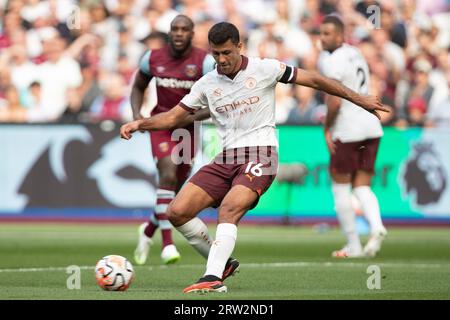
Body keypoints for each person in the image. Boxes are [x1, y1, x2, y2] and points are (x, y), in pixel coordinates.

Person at [121, 22, 388, 293]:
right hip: (225, 159)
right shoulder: (207, 82)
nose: (222, 60)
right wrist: (139, 124)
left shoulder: (266, 69)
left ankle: (211, 276)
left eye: (227, 52)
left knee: (229, 209)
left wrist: (359, 99)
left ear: (239, 46)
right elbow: (174, 117)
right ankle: (221, 265)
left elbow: (316, 80)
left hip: (261, 154)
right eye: (216, 54)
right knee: (176, 211)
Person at [131, 15, 216, 266]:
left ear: (192, 34)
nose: (178, 33)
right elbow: (138, 86)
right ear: (169, 32)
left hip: (187, 129)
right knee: (167, 173)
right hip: (161, 125)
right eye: (174, 29)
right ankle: (167, 244)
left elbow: (214, 102)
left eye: (184, 29)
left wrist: (189, 117)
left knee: (175, 191)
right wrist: (138, 115)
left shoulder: (205, 63)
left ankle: (148, 230)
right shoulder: (152, 58)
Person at [318, 15, 388, 258]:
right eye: (321, 33)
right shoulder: (355, 52)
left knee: (340, 187)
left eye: (327, 33)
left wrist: (327, 127)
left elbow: (334, 100)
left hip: (348, 128)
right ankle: (377, 227)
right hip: (371, 125)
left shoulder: (333, 60)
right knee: (362, 186)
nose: (322, 38)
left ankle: (354, 245)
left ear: (340, 35)